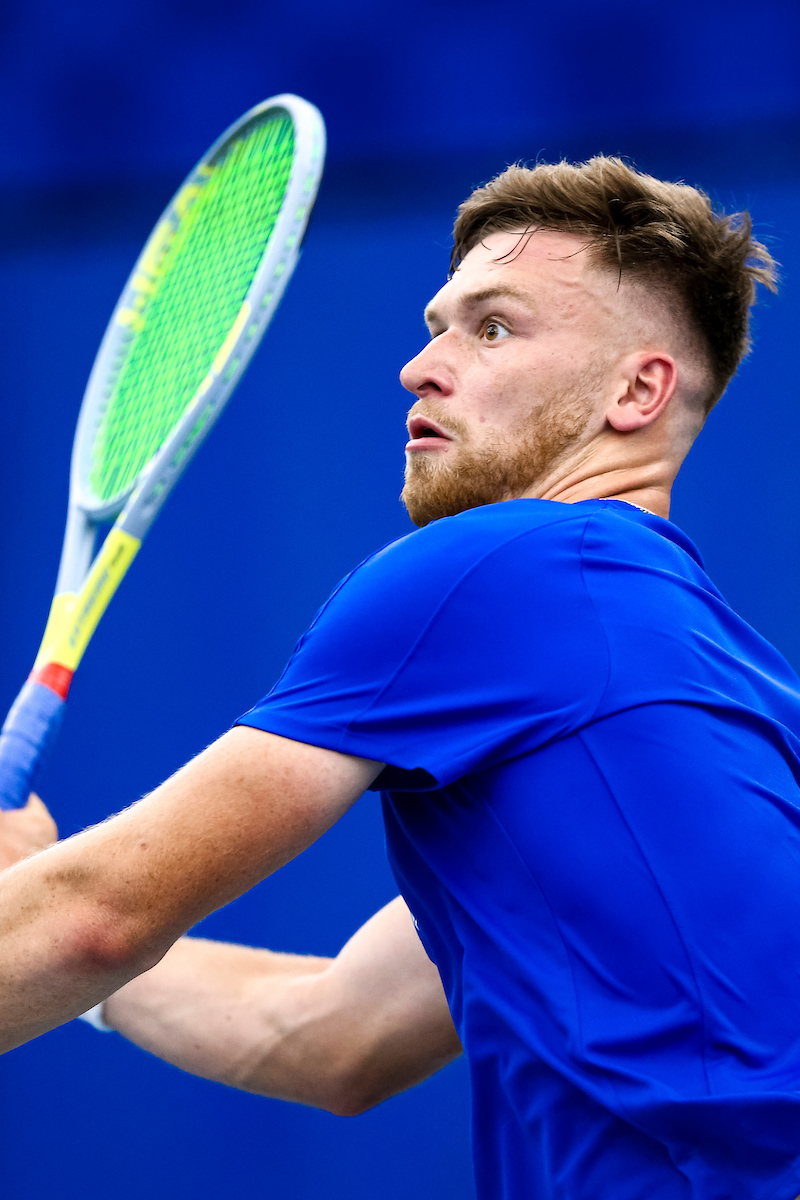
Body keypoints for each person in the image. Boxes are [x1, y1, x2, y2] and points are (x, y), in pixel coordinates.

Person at [0, 155, 795, 1200]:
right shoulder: (709, 700)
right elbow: (337, 1036)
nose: (420, 367)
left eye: (493, 327)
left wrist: (49, 914)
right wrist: (67, 944)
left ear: (636, 389)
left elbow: (96, 920)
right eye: (435, 325)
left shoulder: (501, 564)